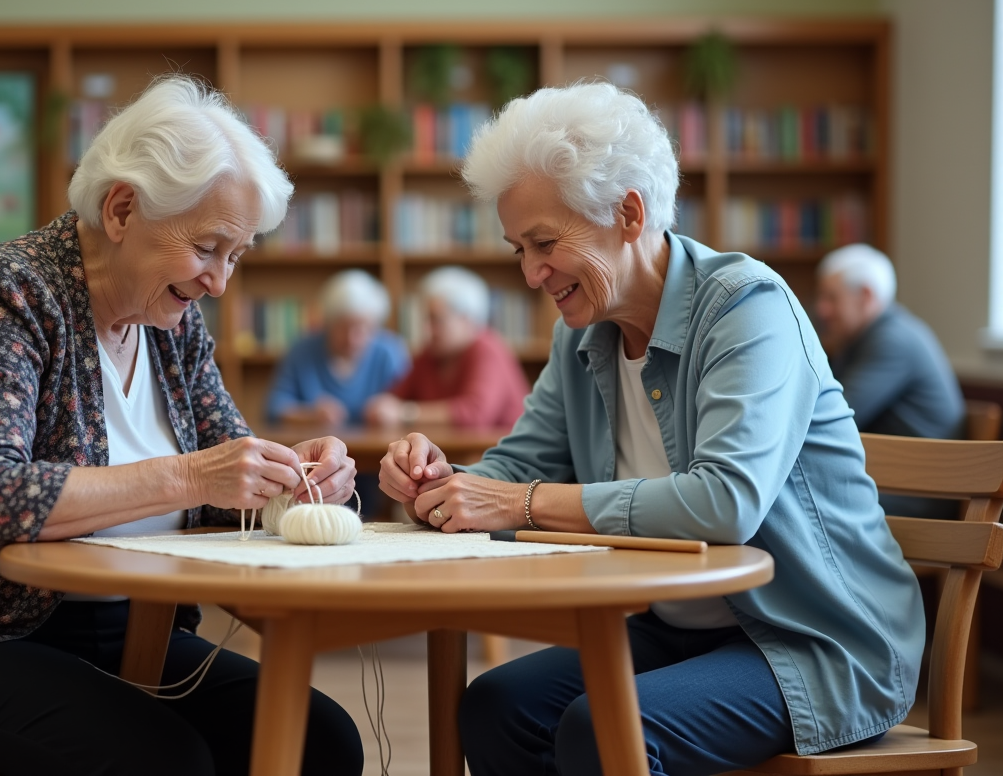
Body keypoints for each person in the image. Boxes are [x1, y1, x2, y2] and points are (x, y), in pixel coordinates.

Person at [379, 82, 922, 776]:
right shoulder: (581, 336)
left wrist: (518, 503)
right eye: (519, 249)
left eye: (544, 242)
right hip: (681, 629)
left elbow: (725, 503)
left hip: (818, 643)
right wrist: (439, 482)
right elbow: (513, 471)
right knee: (495, 707)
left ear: (629, 214)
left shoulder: (745, 308)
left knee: (605, 730)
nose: (531, 273)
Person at [0, 76, 363, 776]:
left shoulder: (174, 323)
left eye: (236, 256)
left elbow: (223, 485)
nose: (219, 282)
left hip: (131, 632)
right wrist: (192, 475)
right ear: (122, 210)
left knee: (321, 741)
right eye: (207, 247)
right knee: (165, 761)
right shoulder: (1, 292)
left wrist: (293, 479)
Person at [816, 243, 965, 517]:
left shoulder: (892, 340)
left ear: (865, 296)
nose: (821, 309)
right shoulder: (866, 338)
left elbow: (833, 417)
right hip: (896, 480)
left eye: (832, 298)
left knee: (793, 494)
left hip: (919, 494)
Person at [363, 266, 528, 430]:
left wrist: (405, 414)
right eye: (426, 319)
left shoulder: (488, 350)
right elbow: (394, 398)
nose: (427, 329)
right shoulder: (430, 355)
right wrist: (380, 408)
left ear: (466, 319)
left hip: (500, 446)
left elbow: (475, 414)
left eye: (436, 320)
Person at [265, 269, 409, 426]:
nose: (351, 339)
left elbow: (412, 405)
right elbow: (274, 408)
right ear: (328, 323)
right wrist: (310, 415)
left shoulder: (390, 351)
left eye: (362, 329)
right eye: (342, 328)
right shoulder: (301, 351)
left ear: (376, 326)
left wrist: (395, 411)